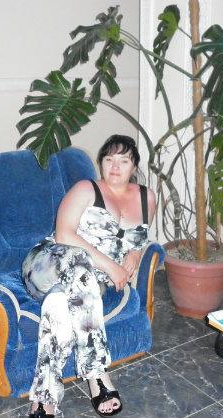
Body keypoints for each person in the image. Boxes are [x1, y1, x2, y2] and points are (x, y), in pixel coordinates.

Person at [22, 135, 156, 418]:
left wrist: (135, 254)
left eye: (123, 160)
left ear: (134, 166)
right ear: (101, 163)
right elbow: (64, 235)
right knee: (79, 260)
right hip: (48, 264)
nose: (115, 166)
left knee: (59, 305)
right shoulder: (86, 188)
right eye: (109, 159)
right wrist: (113, 267)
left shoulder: (147, 197)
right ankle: (97, 373)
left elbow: (139, 239)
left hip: (88, 285)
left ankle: (44, 399)